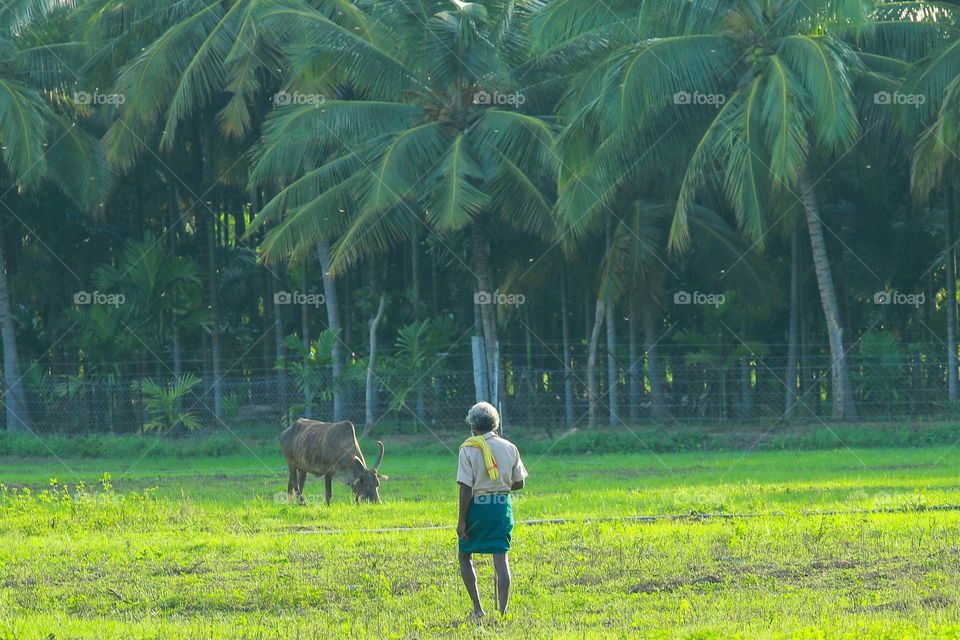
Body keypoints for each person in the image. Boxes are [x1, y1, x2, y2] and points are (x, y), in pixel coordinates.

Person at [456, 401, 528, 618]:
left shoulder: (468, 448)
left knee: (464, 556)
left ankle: (478, 609)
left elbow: (465, 489)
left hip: (478, 508)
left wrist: (462, 522)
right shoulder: (509, 447)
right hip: (501, 509)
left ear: (473, 426)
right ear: (494, 423)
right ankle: (504, 611)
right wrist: (501, 485)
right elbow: (520, 483)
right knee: (501, 558)